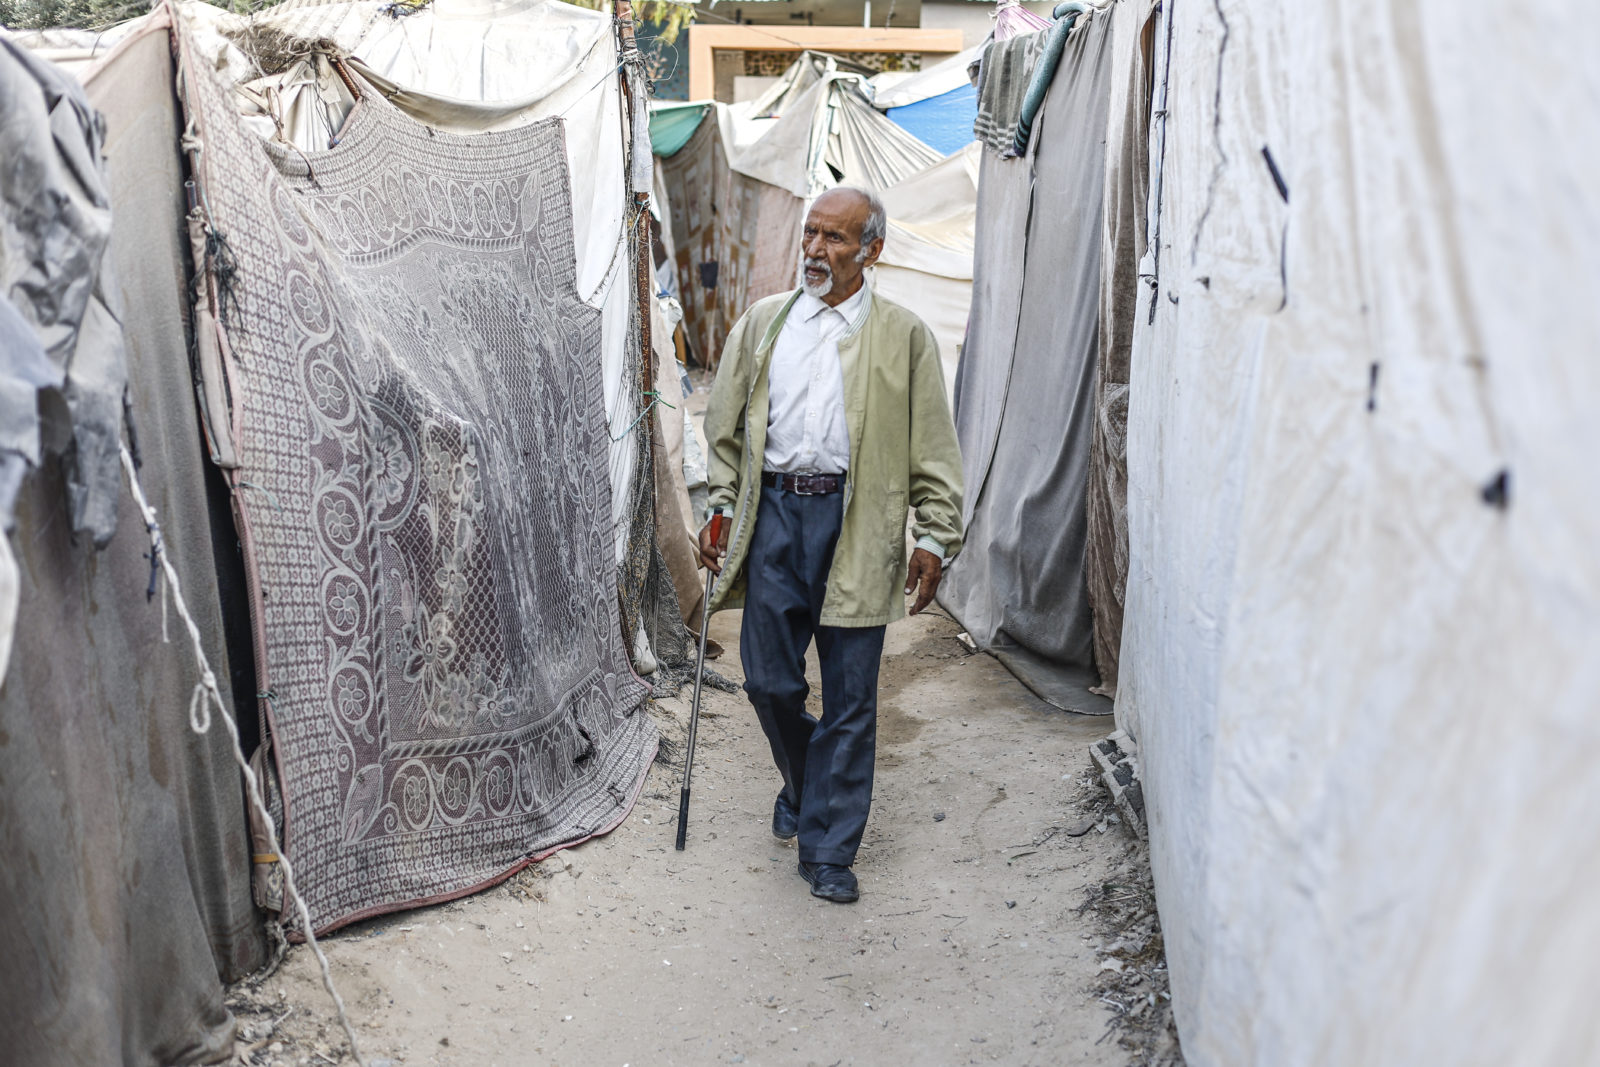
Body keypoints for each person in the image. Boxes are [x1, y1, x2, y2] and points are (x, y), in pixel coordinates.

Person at [698, 186, 964, 904]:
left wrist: (935, 534)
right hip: (775, 516)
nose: (815, 249)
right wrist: (721, 504)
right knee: (769, 680)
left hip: (860, 521)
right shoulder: (764, 323)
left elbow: (934, 449)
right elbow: (725, 428)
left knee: (850, 694)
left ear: (871, 251)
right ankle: (807, 781)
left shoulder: (905, 336)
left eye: (835, 238)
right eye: (811, 234)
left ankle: (829, 850)